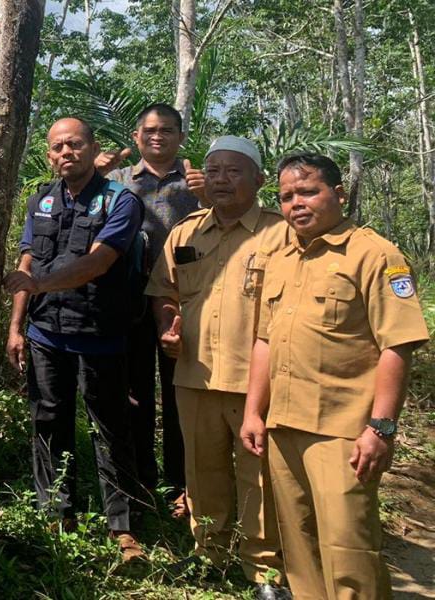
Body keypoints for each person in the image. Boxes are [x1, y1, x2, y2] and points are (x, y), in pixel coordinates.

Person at [242, 153, 429, 600]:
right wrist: (253, 412)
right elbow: (265, 341)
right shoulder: (281, 255)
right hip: (284, 425)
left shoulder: (376, 256)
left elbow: (397, 345)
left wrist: (381, 428)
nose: (296, 204)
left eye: (308, 192)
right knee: (300, 544)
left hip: (344, 431)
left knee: (349, 549)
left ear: (338, 194)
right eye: (287, 196)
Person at [145, 136, 291, 598]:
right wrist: (168, 327)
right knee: (201, 470)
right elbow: (164, 292)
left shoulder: (283, 232)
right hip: (197, 373)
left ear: (259, 180)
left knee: (259, 475)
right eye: (213, 171)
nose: (221, 180)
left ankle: (262, 567)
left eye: (233, 171)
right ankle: (209, 552)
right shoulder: (185, 232)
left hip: (260, 379)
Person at [5, 117, 146, 560]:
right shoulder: (40, 200)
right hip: (46, 333)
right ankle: (57, 513)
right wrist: (15, 326)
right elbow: (27, 261)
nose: (66, 152)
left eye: (75, 144)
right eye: (58, 147)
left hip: (99, 333)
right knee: (48, 423)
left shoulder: (119, 200)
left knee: (110, 429)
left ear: (92, 147)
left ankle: (123, 528)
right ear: (49, 155)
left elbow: (99, 262)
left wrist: (37, 287)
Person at [104, 103, 206, 517]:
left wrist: (207, 194)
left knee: (182, 392)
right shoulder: (116, 181)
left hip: (186, 301)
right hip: (130, 302)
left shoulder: (197, 183)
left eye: (167, 130)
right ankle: (142, 481)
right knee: (135, 394)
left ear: (181, 136)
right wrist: (94, 174)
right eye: (149, 130)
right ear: (136, 136)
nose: (157, 136)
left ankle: (184, 484)